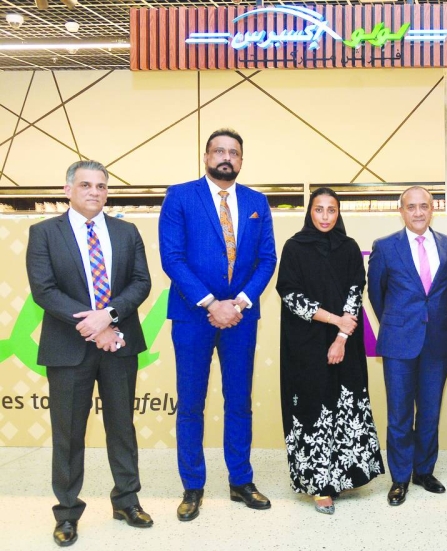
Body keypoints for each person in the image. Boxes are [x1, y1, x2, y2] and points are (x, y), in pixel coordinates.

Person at [27, 160, 153, 547]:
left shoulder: (126, 231)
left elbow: (141, 282)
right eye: (85, 185)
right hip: (68, 348)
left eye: (101, 186)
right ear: (68, 190)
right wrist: (91, 324)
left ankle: (127, 501)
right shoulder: (44, 232)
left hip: (119, 344)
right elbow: (44, 290)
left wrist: (108, 317)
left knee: (122, 427)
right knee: (68, 434)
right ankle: (66, 514)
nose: (94, 192)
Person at [159, 128, 277, 521]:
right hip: (193, 315)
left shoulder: (257, 201)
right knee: (191, 404)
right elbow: (172, 258)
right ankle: (192, 486)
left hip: (241, 318)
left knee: (239, 402)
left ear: (241, 161)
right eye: (219, 151)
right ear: (206, 155)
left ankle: (241, 480)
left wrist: (239, 303)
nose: (227, 157)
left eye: (234, 153)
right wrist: (212, 303)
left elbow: (266, 260)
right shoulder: (180, 196)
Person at [276, 188, 384, 514]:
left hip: (345, 342)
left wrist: (340, 336)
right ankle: (320, 486)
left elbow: (355, 290)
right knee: (313, 406)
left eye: (331, 210)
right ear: (310, 212)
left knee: (345, 404)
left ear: (339, 213)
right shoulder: (295, 247)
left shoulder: (348, 248)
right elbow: (290, 294)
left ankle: (344, 477)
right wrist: (333, 319)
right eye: (319, 209)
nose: (325, 216)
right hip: (305, 344)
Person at [368, 186, 447, 506]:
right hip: (398, 343)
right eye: (411, 207)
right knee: (400, 414)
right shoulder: (385, 246)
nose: (418, 212)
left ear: (432, 209)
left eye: (423, 206)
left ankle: (424, 471)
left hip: (437, 342)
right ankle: (400, 477)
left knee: (430, 412)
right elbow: (376, 294)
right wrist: (395, 323)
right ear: (401, 211)